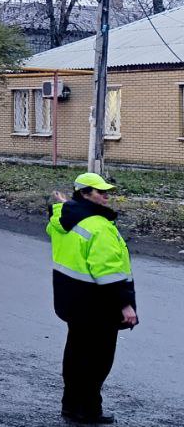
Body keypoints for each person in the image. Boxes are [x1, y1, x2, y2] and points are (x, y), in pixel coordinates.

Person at [47, 172, 138, 425]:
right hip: (98, 308)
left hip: (74, 305)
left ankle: (71, 407)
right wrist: (125, 305)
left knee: (75, 356)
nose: (106, 197)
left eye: (107, 191)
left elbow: (61, 221)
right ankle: (89, 412)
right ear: (85, 194)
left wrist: (65, 204)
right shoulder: (99, 227)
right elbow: (108, 271)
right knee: (97, 362)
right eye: (100, 192)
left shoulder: (64, 219)